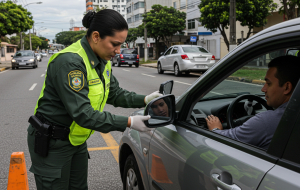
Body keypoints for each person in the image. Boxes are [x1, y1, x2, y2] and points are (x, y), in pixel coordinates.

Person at [27, 10, 162, 190]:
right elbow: (83, 114)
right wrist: (129, 122)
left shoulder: (102, 59)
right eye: (115, 44)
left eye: (121, 45)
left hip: (76, 140)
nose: (118, 51)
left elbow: (114, 93)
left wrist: (145, 99)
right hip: (53, 143)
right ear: (96, 36)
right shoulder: (70, 62)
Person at [206, 56, 300, 150]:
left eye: (269, 84)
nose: (263, 89)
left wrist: (215, 128)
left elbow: (224, 140)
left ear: (287, 87)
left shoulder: (266, 121)